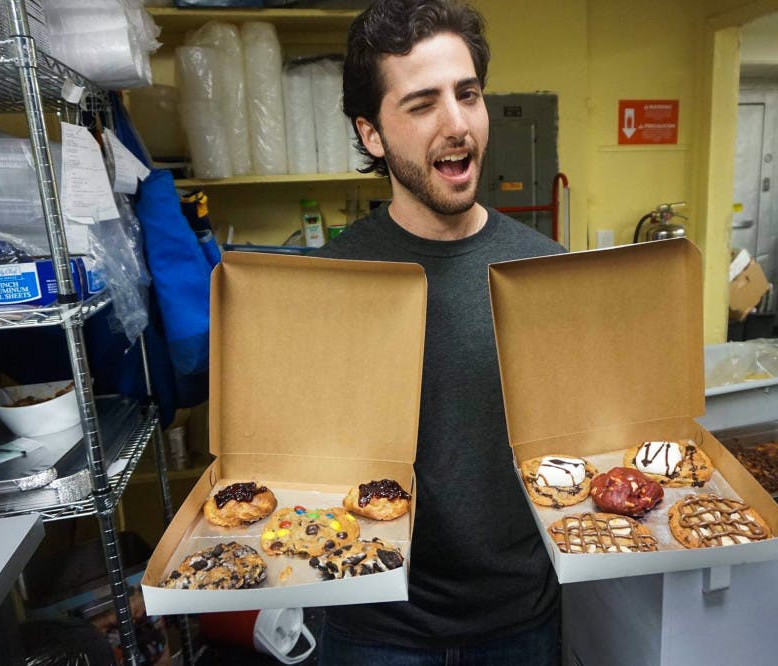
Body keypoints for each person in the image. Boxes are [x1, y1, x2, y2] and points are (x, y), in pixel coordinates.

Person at [313, 0, 564, 663]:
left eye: (468, 95)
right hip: (375, 626)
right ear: (372, 135)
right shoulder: (329, 282)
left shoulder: (547, 273)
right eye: (422, 104)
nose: (457, 125)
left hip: (520, 621)